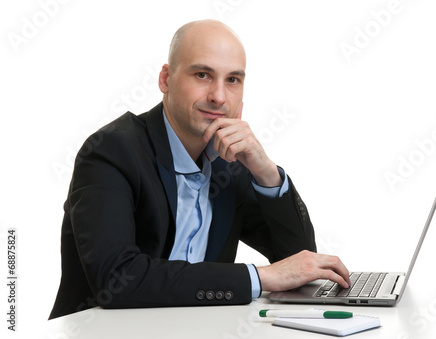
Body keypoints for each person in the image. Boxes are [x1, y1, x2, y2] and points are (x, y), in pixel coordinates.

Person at [49, 19, 350, 320]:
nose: (219, 97)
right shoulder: (111, 152)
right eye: (203, 75)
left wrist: (266, 172)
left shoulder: (230, 165)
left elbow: (297, 262)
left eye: (232, 80)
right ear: (166, 79)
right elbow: (116, 278)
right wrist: (259, 278)